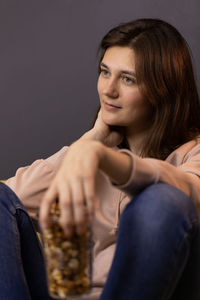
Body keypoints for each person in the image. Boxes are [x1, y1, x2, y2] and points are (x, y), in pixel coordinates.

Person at [1, 18, 200, 300]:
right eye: (105, 72)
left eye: (127, 78)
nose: (109, 90)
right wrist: (88, 144)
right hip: (65, 291)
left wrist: (101, 157)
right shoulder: (88, 154)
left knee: (163, 200)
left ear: (162, 89)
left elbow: (190, 192)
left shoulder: (193, 152)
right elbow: (10, 204)